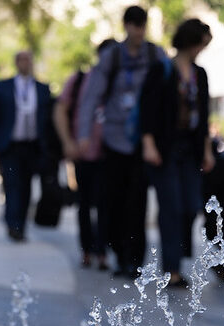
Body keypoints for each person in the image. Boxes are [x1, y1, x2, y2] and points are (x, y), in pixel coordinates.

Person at [76, 5, 166, 277]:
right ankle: (119, 255)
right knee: (113, 200)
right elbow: (91, 96)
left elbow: (167, 92)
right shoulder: (112, 57)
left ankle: (135, 260)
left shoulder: (155, 54)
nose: (137, 30)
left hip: (143, 139)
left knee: (137, 201)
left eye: (142, 25)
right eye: (133, 24)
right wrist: (83, 134)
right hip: (114, 139)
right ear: (125, 25)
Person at [138, 18, 214, 287]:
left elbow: (204, 116)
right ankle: (172, 269)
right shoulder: (162, 70)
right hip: (164, 148)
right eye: (200, 43)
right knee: (170, 206)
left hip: (190, 148)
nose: (201, 49)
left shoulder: (199, 74)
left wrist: (206, 149)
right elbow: (147, 110)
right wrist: (148, 144)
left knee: (191, 205)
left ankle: (178, 259)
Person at [54, 39, 117, 270]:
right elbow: (60, 109)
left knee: (105, 203)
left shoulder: (118, 82)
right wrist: (68, 141)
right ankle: (87, 251)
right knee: (84, 203)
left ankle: (102, 250)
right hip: (83, 154)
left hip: (109, 154)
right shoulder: (80, 80)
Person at [0, 50, 52, 242]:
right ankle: (12, 224)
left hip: (32, 146)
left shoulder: (42, 89)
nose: (26, 63)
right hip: (11, 146)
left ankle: (21, 225)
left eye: (29, 60)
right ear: (16, 63)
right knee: (12, 184)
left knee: (26, 188)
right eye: (23, 60)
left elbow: (47, 119)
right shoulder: (2, 87)